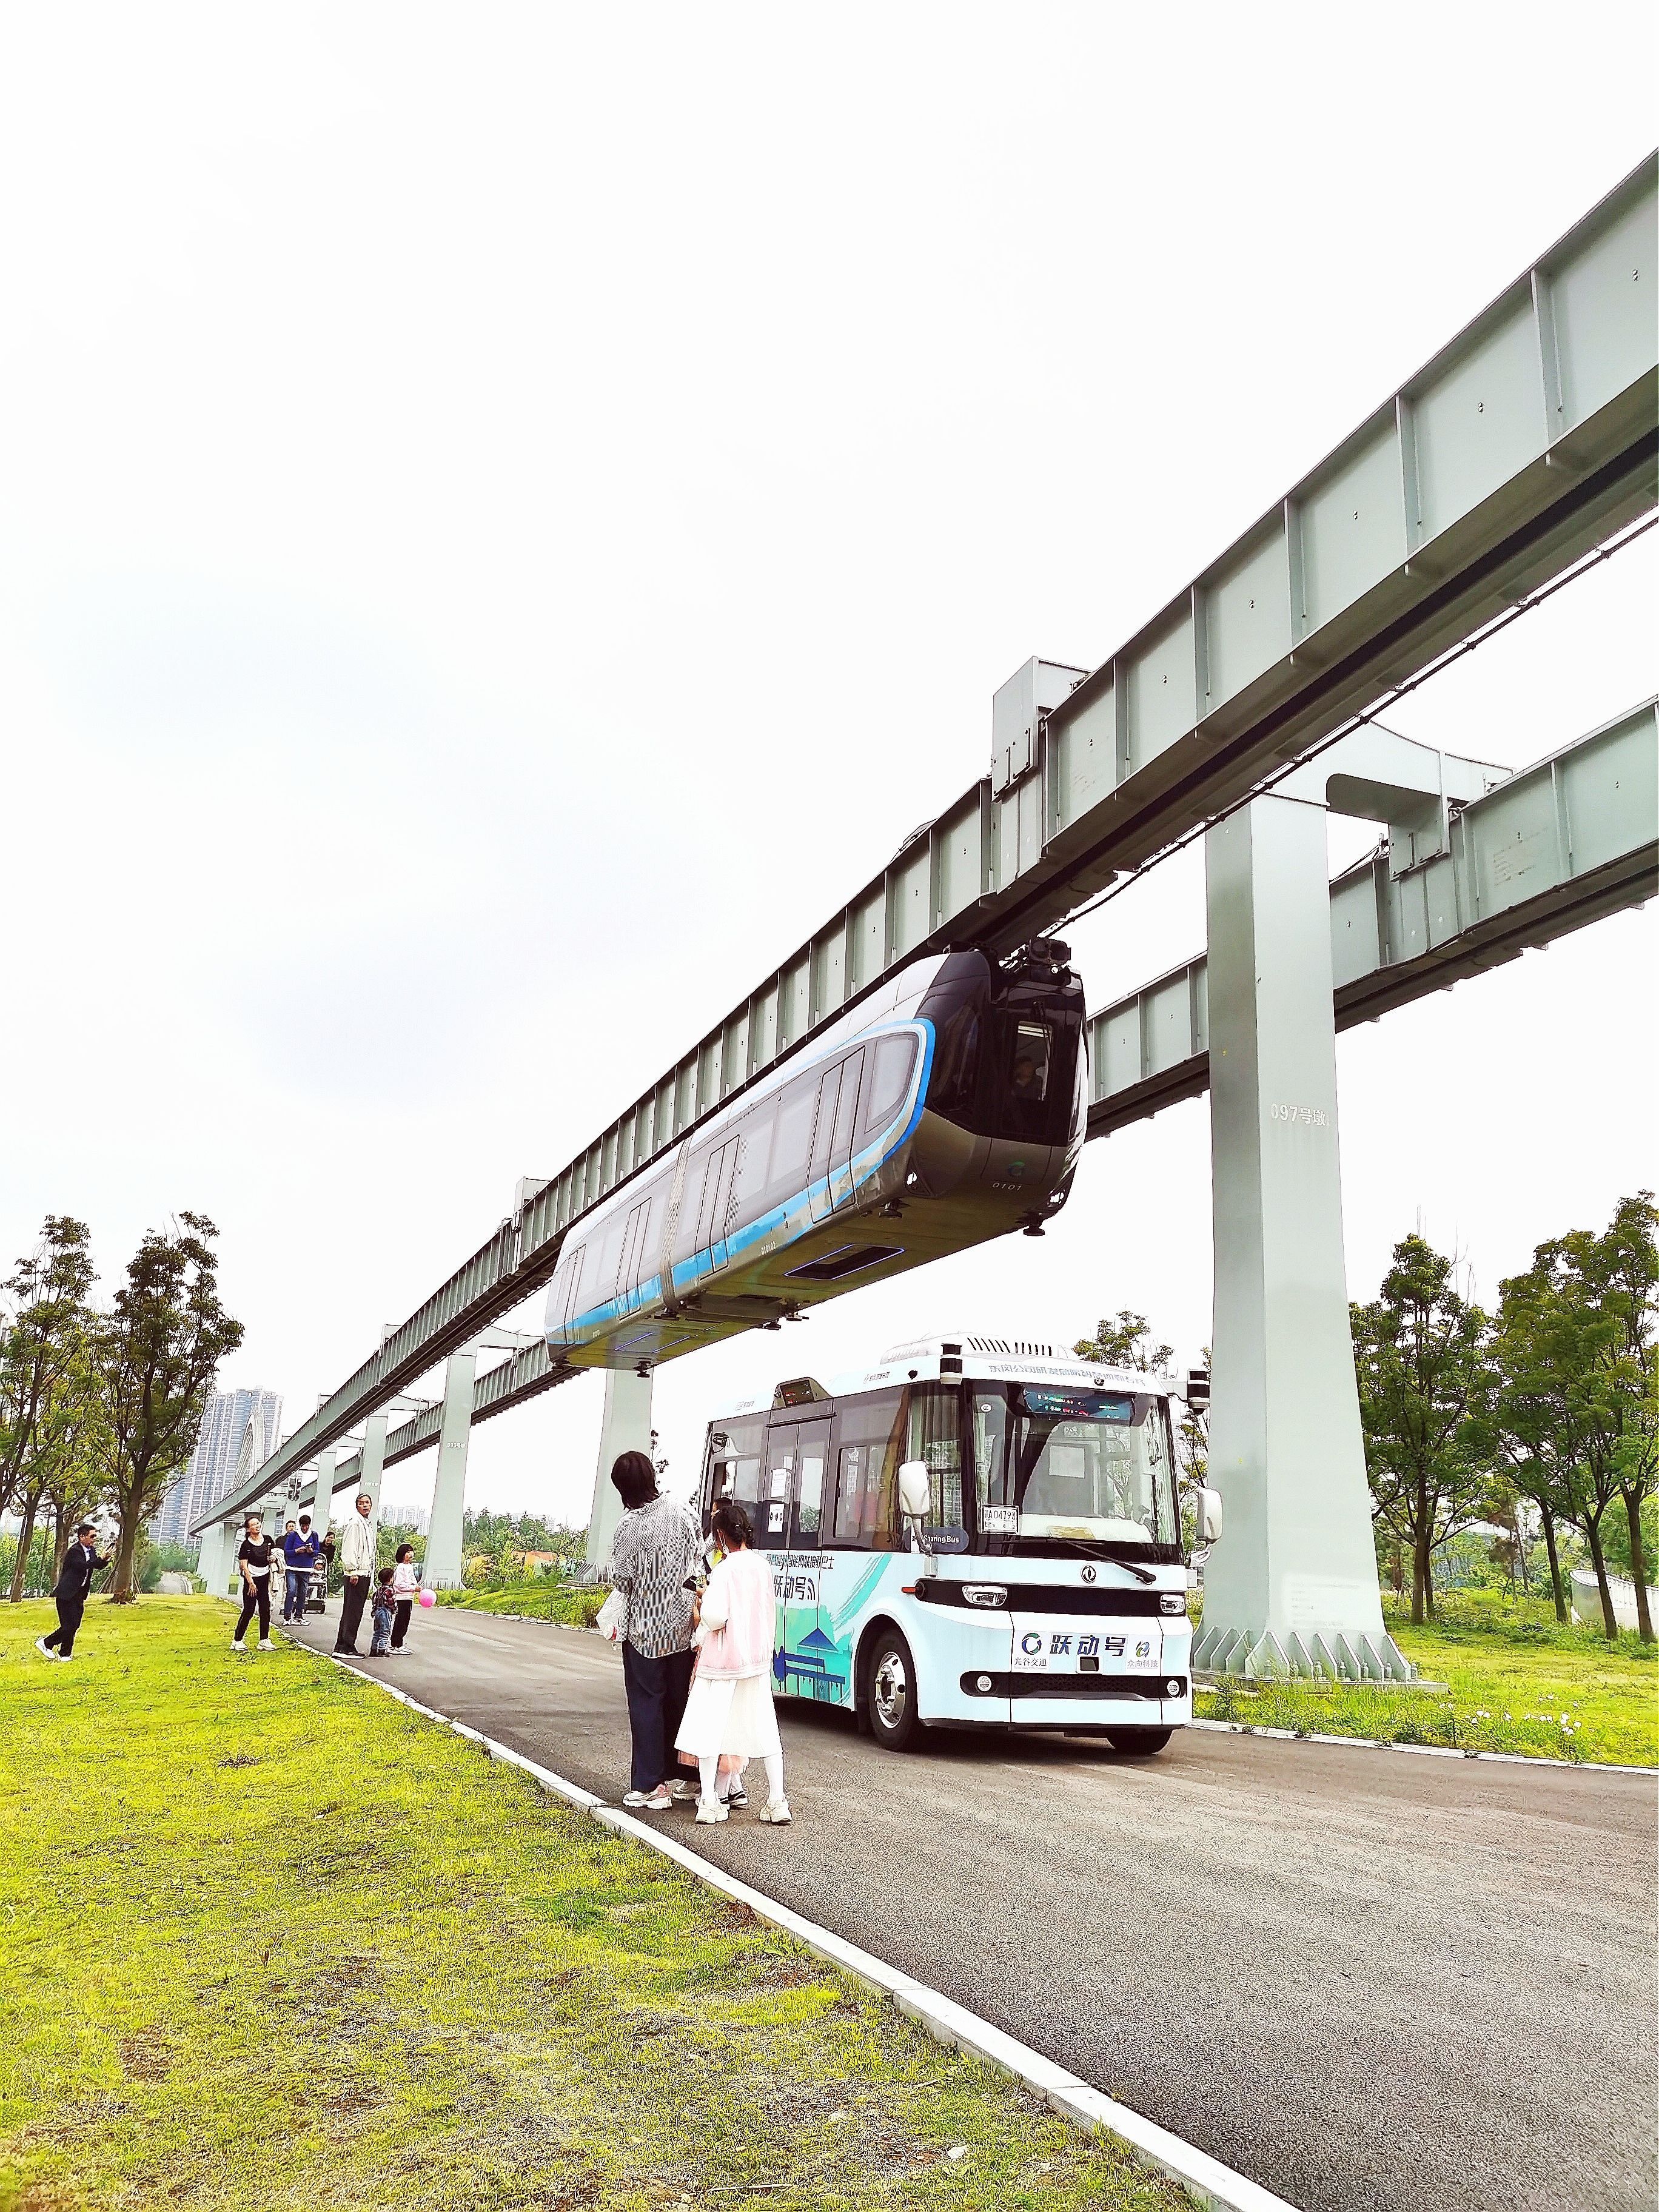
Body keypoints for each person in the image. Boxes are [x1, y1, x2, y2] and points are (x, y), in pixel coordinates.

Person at [675, 1499, 791, 1826]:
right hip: (755, 1660)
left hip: (722, 1662)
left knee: (710, 1730)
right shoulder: (763, 1567)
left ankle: (709, 1802)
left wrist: (703, 1603)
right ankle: (777, 1800)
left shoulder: (724, 1570)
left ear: (721, 1536)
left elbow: (715, 1617)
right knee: (766, 1730)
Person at [607, 1449, 701, 1812]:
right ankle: (691, 1777)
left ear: (623, 1488)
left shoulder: (629, 1526)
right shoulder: (684, 1511)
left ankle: (651, 1784)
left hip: (645, 1629)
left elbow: (622, 1579)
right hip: (683, 1624)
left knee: (647, 1703)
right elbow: (698, 1560)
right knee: (682, 1701)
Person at [35, 1520, 112, 1663]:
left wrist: (105, 1559)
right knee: (69, 1625)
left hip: (79, 1594)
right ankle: (46, 1643)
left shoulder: (91, 1551)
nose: (94, 1539)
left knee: (74, 1625)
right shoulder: (75, 1551)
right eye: (92, 1536)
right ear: (82, 1537)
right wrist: (100, 1559)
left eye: (95, 1536)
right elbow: (82, 1566)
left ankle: (65, 1654)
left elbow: (95, 1565)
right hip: (66, 1594)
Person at [333, 1492, 377, 1655]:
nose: (365, 1506)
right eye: (361, 1503)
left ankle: (342, 1645)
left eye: (367, 1503)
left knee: (353, 1611)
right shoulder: (355, 1523)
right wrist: (352, 1570)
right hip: (356, 1574)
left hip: (365, 1572)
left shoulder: (367, 1524)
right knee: (353, 1611)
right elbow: (349, 1548)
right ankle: (346, 1646)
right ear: (356, 1506)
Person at [232, 1515, 277, 1652]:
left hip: (264, 1578)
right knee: (249, 1610)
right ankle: (237, 1640)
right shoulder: (246, 1545)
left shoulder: (268, 1540)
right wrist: (251, 1583)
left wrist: (274, 1558)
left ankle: (264, 1640)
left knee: (265, 1610)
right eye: (253, 1525)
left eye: (258, 1523)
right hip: (251, 1580)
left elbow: (276, 1555)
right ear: (248, 1529)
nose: (257, 1526)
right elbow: (244, 1566)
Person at [283, 1513, 321, 1622]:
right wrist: (296, 1551)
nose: (305, 1528)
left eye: (307, 1526)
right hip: (292, 1568)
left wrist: (311, 1551)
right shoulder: (293, 1535)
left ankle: (298, 1616)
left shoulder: (314, 1535)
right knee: (291, 1591)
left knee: (303, 1592)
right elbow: (286, 1551)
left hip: (306, 1568)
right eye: (303, 1526)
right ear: (300, 1525)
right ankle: (287, 1616)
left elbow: (317, 1551)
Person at [388, 1543, 421, 1652]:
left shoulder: (410, 1567)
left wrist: (417, 1587)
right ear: (402, 1554)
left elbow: (413, 1580)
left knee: (405, 1621)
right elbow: (398, 1585)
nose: (411, 1554)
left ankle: (398, 1644)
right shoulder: (401, 1567)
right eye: (408, 1552)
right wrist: (413, 1588)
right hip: (402, 1598)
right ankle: (396, 1644)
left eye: (411, 1552)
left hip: (409, 1598)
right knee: (401, 1621)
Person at [367, 1566, 398, 1657]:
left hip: (377, 1612)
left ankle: (373, 1650)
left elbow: (374, 1602)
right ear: (390, 1579)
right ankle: (382, 1650)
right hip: (385, 1612)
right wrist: (395, 1610)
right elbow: (392, 1602)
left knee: (377, 1632)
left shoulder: (378, 1590)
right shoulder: (390, 1590)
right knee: (385, 1631)